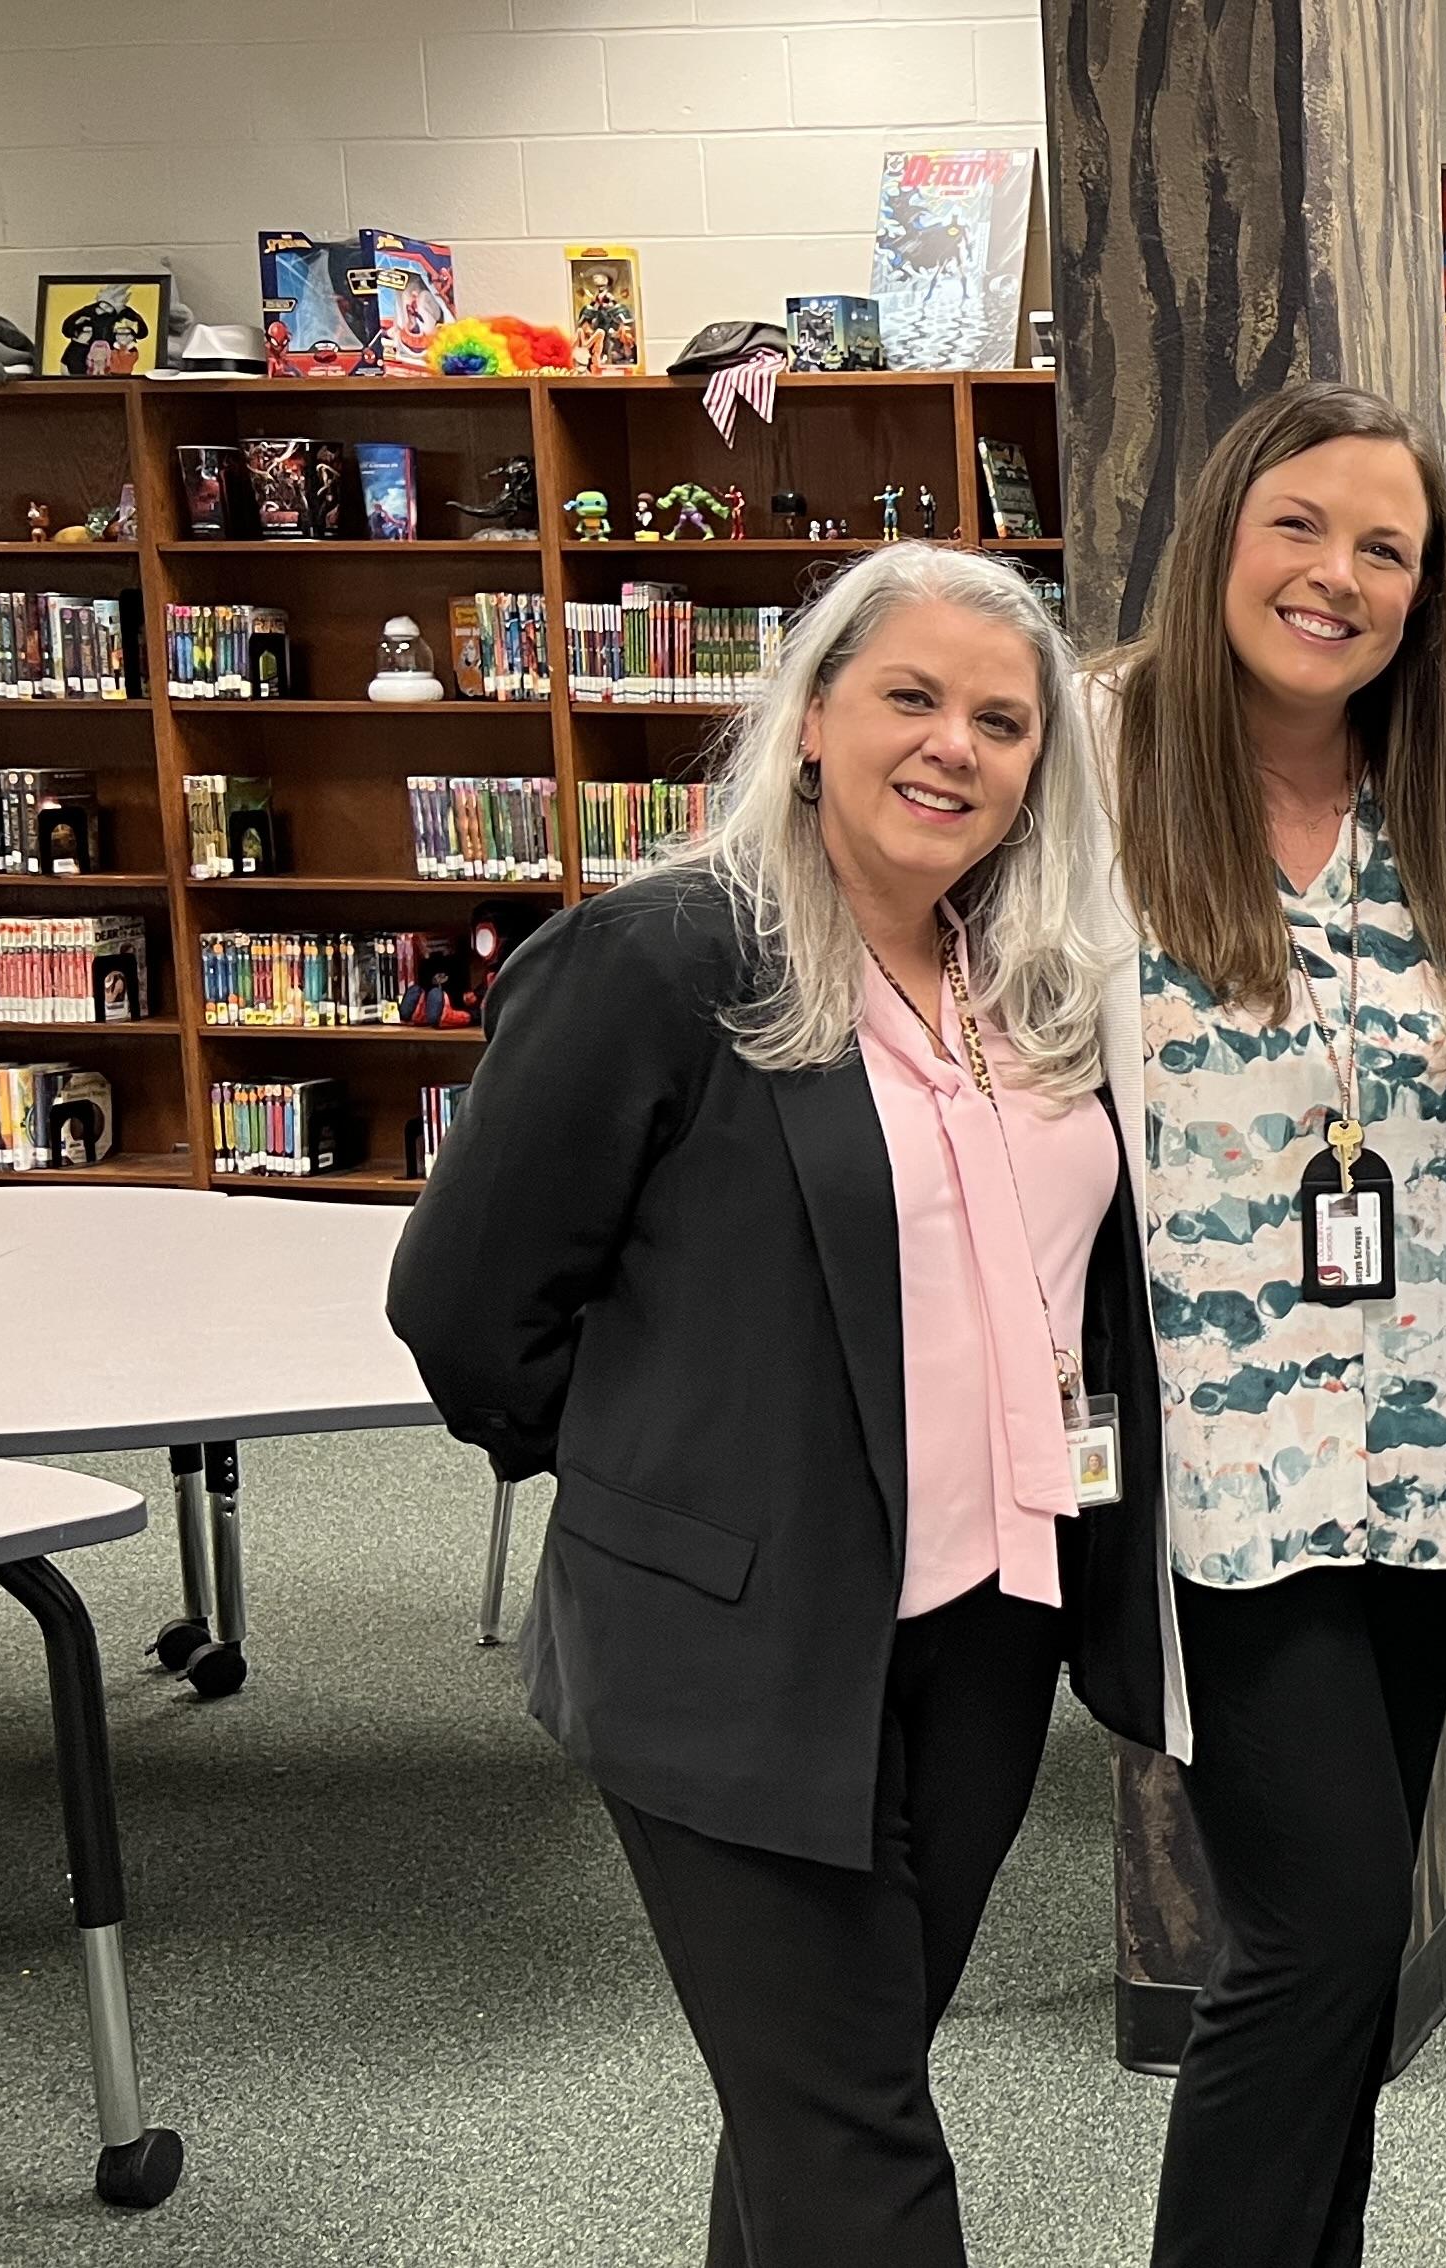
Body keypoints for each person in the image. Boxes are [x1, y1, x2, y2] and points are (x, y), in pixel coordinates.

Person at [388, 542, 1163, 2267]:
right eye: (910, 698)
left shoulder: (1023, 983)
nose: (954, 746)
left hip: (986, 1624)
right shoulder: (660, 963)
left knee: (828, 2091)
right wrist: (671, 1468)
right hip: (736, 1651)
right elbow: (465, 1311)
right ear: (811, 717)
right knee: (864, 2153)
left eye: (1002, 721)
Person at [1096, 379, 1446, 2268]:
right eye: (1301, 528)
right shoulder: (1090, 770)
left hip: (1422, 1458)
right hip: (1222, 1467)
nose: (1338, 577)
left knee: (1334, 1964)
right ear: (1222, 535)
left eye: (1387, 551)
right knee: (1325, 1930)